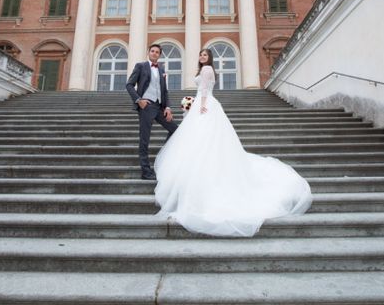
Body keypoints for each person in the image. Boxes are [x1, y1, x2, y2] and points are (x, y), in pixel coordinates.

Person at [154, 49, 312, 237]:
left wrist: (200, 104)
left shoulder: (206, 70)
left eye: (205, 55)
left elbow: (204, 89)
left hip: (205, 104)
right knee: (206, 141)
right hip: (207, 104)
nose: (202, 57)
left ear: (209, 58)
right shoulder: (207, 69)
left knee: (202, 140)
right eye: (201, 55)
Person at [126, 44, 178, 180]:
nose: (154, 53)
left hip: (160, 106)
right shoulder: (140, 66)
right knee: (145, 139)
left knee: (175, 129)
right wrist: (139, 100)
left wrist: (168, 107)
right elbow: (129, 84)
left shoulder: (161, 69)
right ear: (148, 52)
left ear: (159, 55)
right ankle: (145, 171)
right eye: (152, 51)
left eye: (157, 52)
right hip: (146, 106)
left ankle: (163, 156)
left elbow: (164, 91)